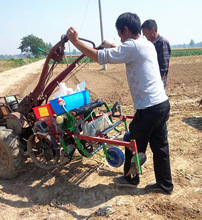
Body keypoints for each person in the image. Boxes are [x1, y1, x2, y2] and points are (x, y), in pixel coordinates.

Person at [66, 12, 173, 194]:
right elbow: (127, 53)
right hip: (162, 104)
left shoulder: (131, 47)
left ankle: (130, 179)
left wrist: (75, 41)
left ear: (125, 29)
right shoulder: (146, 44)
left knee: (132, 140)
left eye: (120, 34)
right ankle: (165, 184)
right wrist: (114, 46)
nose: (120, 38)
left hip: (148, 108)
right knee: (160, 146)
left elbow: (98, 56)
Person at [141, 19, 171, 87]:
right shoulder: (150, 44)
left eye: (145, 32)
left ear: (152, 30)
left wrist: (159, 83)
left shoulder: (162, 42)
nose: (144, 35)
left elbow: (164, 67)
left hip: (157, 83)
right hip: (151, 81)